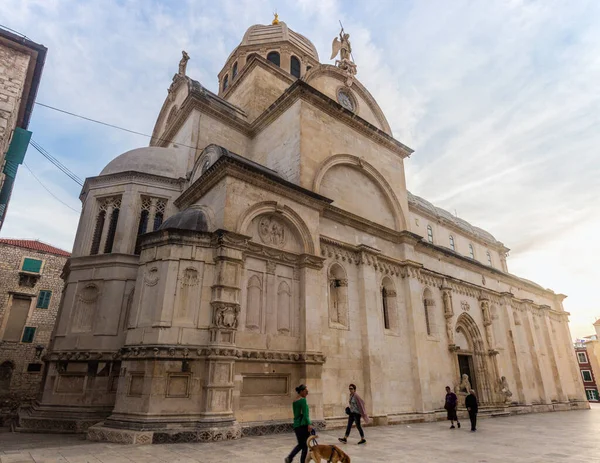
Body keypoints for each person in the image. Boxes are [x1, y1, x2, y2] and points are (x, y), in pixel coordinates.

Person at [285, 384, 312, 463]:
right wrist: (309, 424)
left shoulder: (295, 401)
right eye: (306, 391)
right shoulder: (303, 400)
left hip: (296, 425)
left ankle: (290, 457)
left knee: (301, 444)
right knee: (305, 446)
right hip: (303, 425)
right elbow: (305, 414)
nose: (307, 393)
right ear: (301, 391)